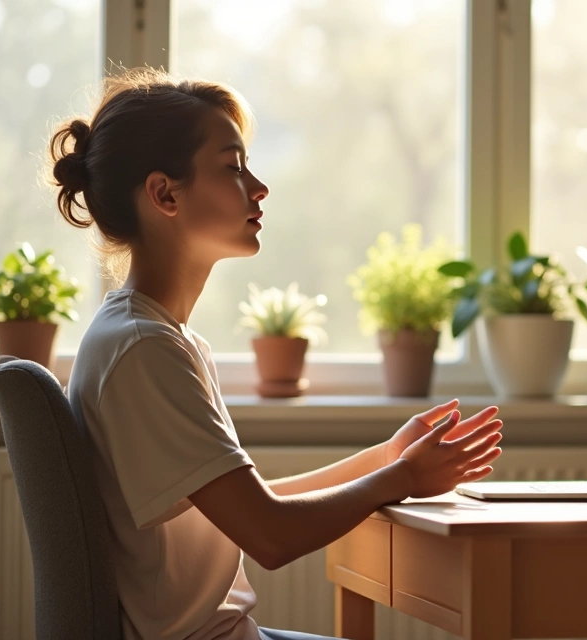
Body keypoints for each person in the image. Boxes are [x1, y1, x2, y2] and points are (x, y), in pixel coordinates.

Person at [49, 68, 504, 640]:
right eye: (233, 168)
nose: (259, 188)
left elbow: (251, 509)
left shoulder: (158, 338)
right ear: (165, 193)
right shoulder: (144, 349)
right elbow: (271, 536)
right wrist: (402, 476)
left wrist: (388, 460)